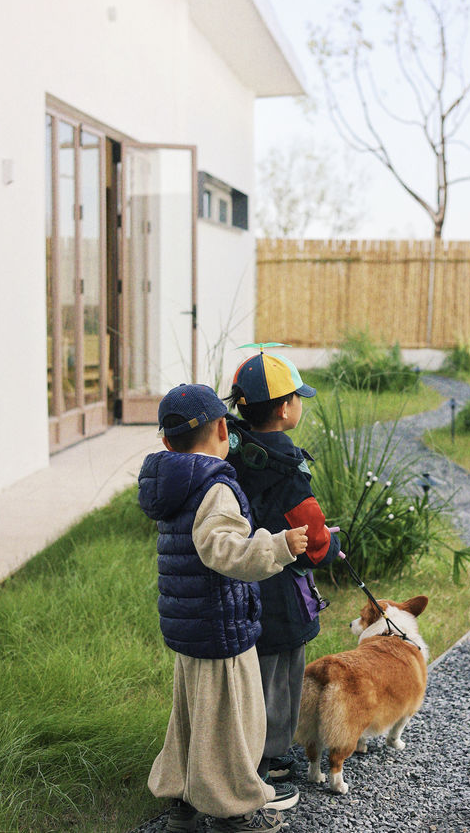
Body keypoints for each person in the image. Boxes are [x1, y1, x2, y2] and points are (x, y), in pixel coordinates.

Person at [137, 383, 309, 833]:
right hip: (220, 626)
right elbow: (225, 552)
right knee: (234, 724)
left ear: (166, 442)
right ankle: (234, 810)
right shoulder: (215, 489)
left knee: (192, 720)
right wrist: (278, 545)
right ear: (221, 429)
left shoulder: (175, 483)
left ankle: (184, 802)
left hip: (188, 626)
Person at [225, 349, 340, 784]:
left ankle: (241, 746)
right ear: (285, 407)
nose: (300, 404)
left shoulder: (231, 450)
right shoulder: (288, 467)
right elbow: (313, 542)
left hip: (239, 579)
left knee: (251, 672)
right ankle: (267, 759)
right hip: (279, 591)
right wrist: (334, 544)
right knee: (281, 672)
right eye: (298, 397)